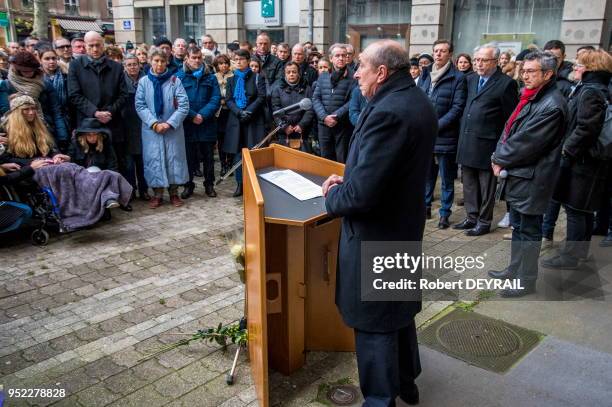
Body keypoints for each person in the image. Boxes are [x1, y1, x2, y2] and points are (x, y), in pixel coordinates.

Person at [322, 39, 437, 407]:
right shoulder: (414, 99)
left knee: (375, 323)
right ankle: (407, 383)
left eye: (362, 67)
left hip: (378, 233)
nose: (355, 73)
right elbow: (383, 169)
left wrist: (332, 197)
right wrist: (352, 176)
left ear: (382, 72)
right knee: (397, 311)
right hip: (401, 227)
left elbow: (361, 197)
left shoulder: (389, 111)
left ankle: (379, 399)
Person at [488, 51, 568, 297]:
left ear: (548, 74)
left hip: (534, 177)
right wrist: (498, 156)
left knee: (530, 232)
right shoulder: (531, 97)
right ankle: (514, 269)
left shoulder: (552, 104)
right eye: (523, 71)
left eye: (531, 72)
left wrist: (499, 159)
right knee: (519, 228)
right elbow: (509, 129)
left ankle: (526, 280)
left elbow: (526, 142)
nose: (525, 76)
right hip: (521, 175)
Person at [541, 49, 612, 270]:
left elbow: (586, 128)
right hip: (588, 161)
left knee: (575, 209)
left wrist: (566, 151)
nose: (574, 68)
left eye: (579, 65)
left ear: (590, 69)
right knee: (583, 210)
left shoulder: (590, 92)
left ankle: (571, 257)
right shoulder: (596, 89)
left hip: (582, 163)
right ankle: (580, 253)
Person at [455, 43, 519, 236]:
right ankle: (471, 217)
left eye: (483, 60)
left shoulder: (506, 83)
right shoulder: (471, 79)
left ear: (495, 61)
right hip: (467, 141)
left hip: (488, 144)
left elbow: (510, 119)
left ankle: (484, 221)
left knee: (486, 186)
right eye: (476, 60)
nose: (478, 64)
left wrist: (502, 148)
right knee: (469, 183)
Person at [419, 39, 467, 229]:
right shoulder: (426, 73)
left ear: (450, 54)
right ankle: (425, 206)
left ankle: (444, 214)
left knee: (447, 178)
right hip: (425, 135)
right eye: (436, 51)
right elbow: (419, 99)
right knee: (427, 175)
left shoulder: (457, 77)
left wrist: (436, 126)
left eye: (442, 51)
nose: (438, 54)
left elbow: (457, 108)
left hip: (445, 135)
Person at [68, 31, 129, 176]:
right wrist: (94, 112)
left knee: (115, 161)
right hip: (87, 125)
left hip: (112, 121)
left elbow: (123, 94)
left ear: (103, 45)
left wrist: (109, 111)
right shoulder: (76, 66)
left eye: (98, 45)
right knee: (91, 163)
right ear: (85, 46)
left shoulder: (116, 67)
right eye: (91, 46)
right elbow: (74, 94)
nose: (95, 49)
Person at [135, 47, 189, 209]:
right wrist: (154, 123)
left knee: (173, 159)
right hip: (152, 130)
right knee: (154, 160)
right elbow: (140, 105)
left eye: (162, 61)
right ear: (150, 61)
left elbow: (184, 105)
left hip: (172, 129)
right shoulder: (144, 82)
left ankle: (174, 192)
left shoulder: (174, 81)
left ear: (167, 62)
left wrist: (169, 123)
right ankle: (157, 194)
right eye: (156, 61)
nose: (159, 64)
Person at [0, 50, 70, 151]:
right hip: (18, 133)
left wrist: (62, 136)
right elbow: (5, 112)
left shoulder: (44, 84)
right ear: (17, 70)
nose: (28, 73)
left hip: (45, 130)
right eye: (25, 71)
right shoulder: (6, 85)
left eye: (31, 70)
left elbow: (56, 112)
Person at [177, 46, 221, 199]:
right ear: (187, 58)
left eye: (199, 57)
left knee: (208, 157)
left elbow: (215, 99)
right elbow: (176, 101)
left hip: (206, 123)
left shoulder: (211, 77)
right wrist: (192, 115)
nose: (196, 60)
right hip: (188, 124)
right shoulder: (179, 77)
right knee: (188, 157)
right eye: (193, 58)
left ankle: (209, 185)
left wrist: (202, 115)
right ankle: (188, 185)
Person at [223, 49, 266, 197]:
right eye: (236, 59)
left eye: (242, 59)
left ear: (248, 60)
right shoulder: (231, 79)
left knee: (254, 152)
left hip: (253, 120)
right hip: (236, 121)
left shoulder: (257, 77)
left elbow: (261, 97)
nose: (239, 62)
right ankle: (240, 184)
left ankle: (254, 184)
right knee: (237, 155)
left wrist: (248, 111)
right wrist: (239, 112)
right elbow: (228, 99)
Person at [313, 44, 355, 163]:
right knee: (325, 159)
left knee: (342, 159)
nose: (341, 58)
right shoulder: (323, 77)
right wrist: (324, 117)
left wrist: (336, 116)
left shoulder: (353, 78)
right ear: (331, 59)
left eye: (344, 55)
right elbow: (315, 98)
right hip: (324, 125)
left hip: (342, 125)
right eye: (337, 56)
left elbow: (353, 101)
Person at [122, 54, 149, 201]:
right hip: (127, 124)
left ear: (139, 65)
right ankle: (131, 190)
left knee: (143, 161)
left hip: (143, 124)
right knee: (128, 163)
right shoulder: (120, 82)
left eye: (135, 64)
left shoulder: (146, 80)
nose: (132, 67)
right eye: (129, 65)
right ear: (125, 67)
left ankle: (144, 189)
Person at [271, 62, 314, 151]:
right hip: (284, 132)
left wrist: (302, 125)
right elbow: (276, 109)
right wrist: (285, 127)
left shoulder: (307, 88)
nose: (291, 74)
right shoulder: (277, 89)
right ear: (285, 74)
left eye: (294, 72)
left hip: (302, 131)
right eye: (288, 72)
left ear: (299, 73)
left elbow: (310, 110)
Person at [39, 46, 71, 143]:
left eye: (54, 58)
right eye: (47, 59)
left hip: (65, 117)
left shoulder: (65, 75)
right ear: (40, 60)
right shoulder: (37, 79)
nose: (51, 61)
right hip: (45, 118)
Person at [213, 54, 234, 176]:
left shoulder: (234, 76)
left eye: (226, 63)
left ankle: (230, 163)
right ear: (217, 65)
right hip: (219, 113)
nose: (224, 65)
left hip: (231, 112)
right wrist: (220, 100)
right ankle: (223, 164)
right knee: (221, 140)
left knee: (230, 139)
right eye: (221, 63)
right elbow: (213, 94)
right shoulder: (214, 77)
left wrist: (226, 99)